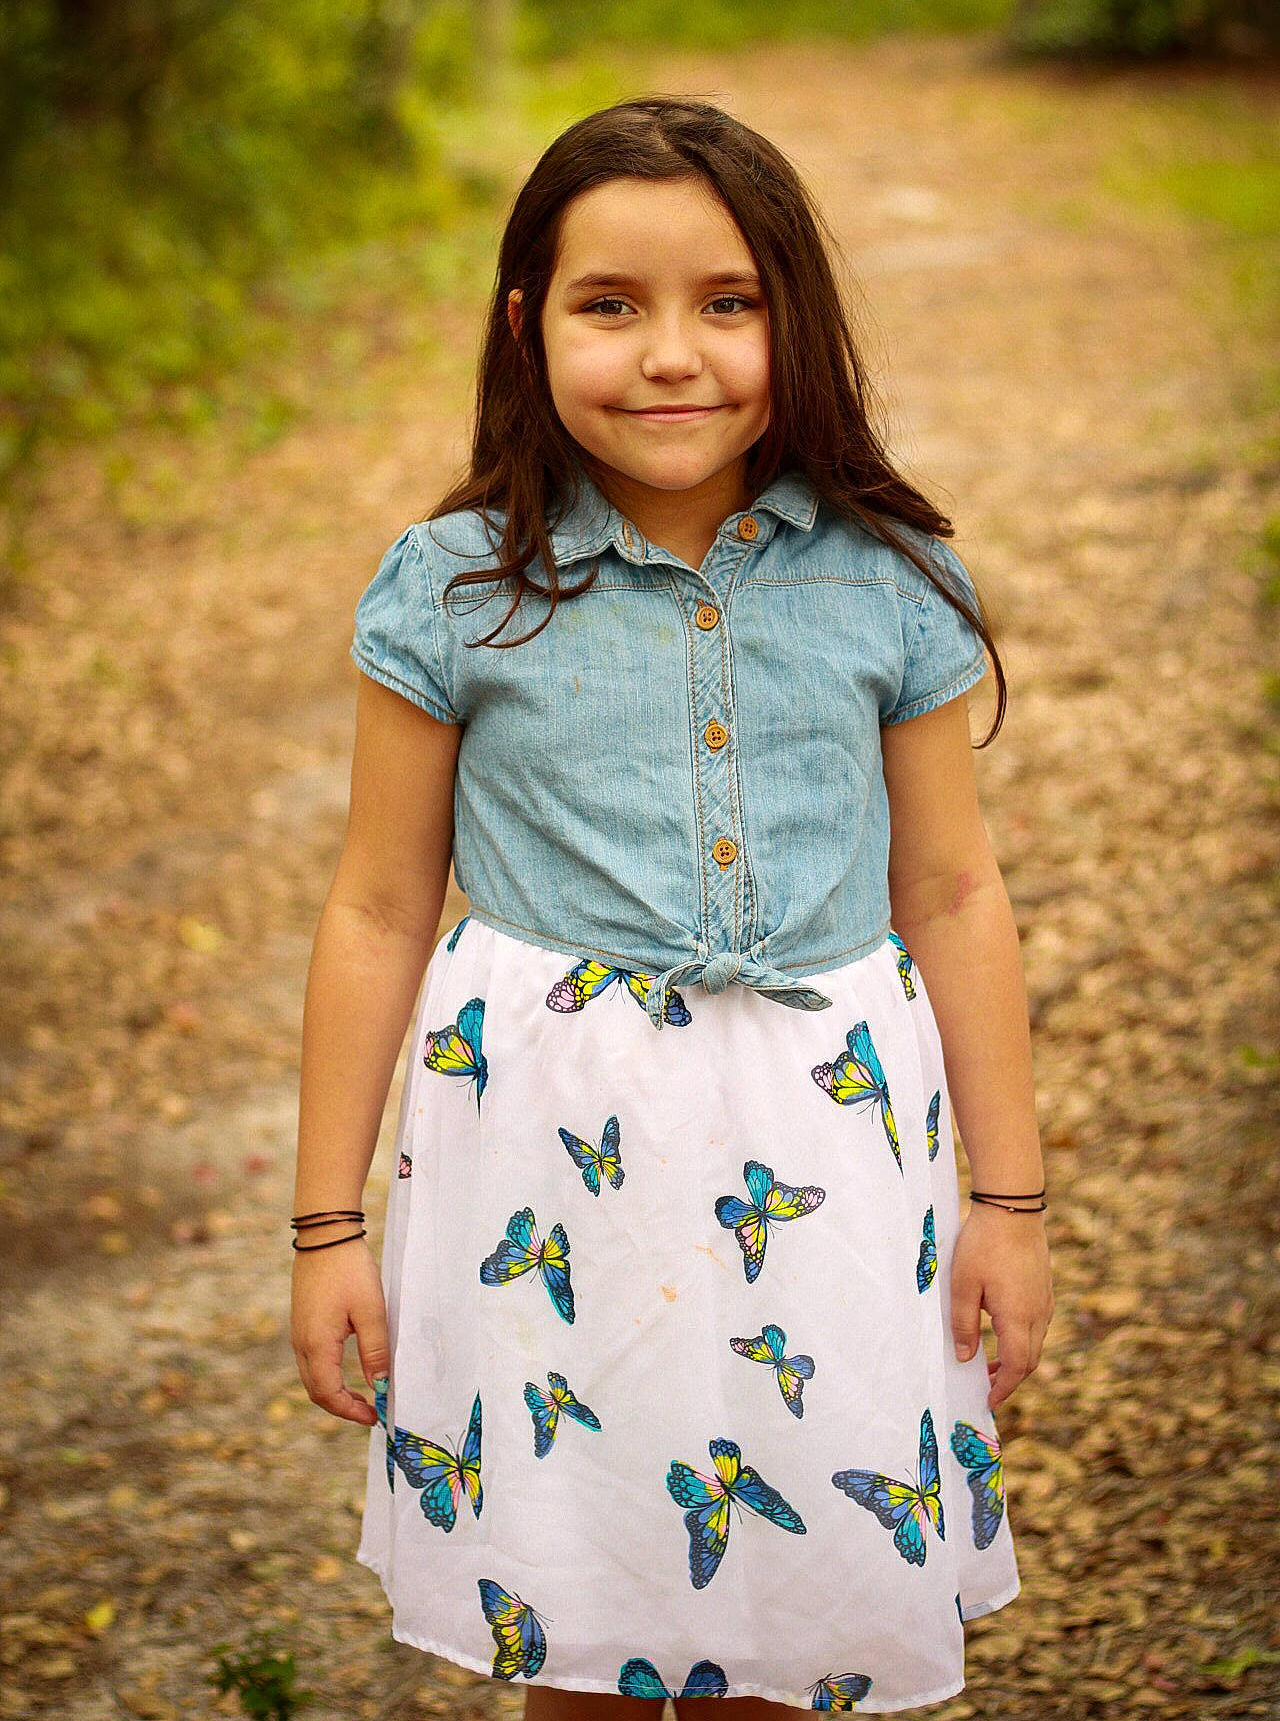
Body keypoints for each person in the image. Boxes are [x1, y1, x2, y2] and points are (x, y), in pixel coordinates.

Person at [290, 96, 1054, 1718]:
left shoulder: (889, 575)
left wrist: (1014, 1198)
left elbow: (954, 887)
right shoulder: (454, 586)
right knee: (579, 1612)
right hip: (549, 1179)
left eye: (727, 304)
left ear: (795, 314)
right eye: (608, 306)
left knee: (815, 1606)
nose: (670, 356)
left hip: (831, 1155)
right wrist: (327, 1228)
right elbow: (374, 906)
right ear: (526, 325)